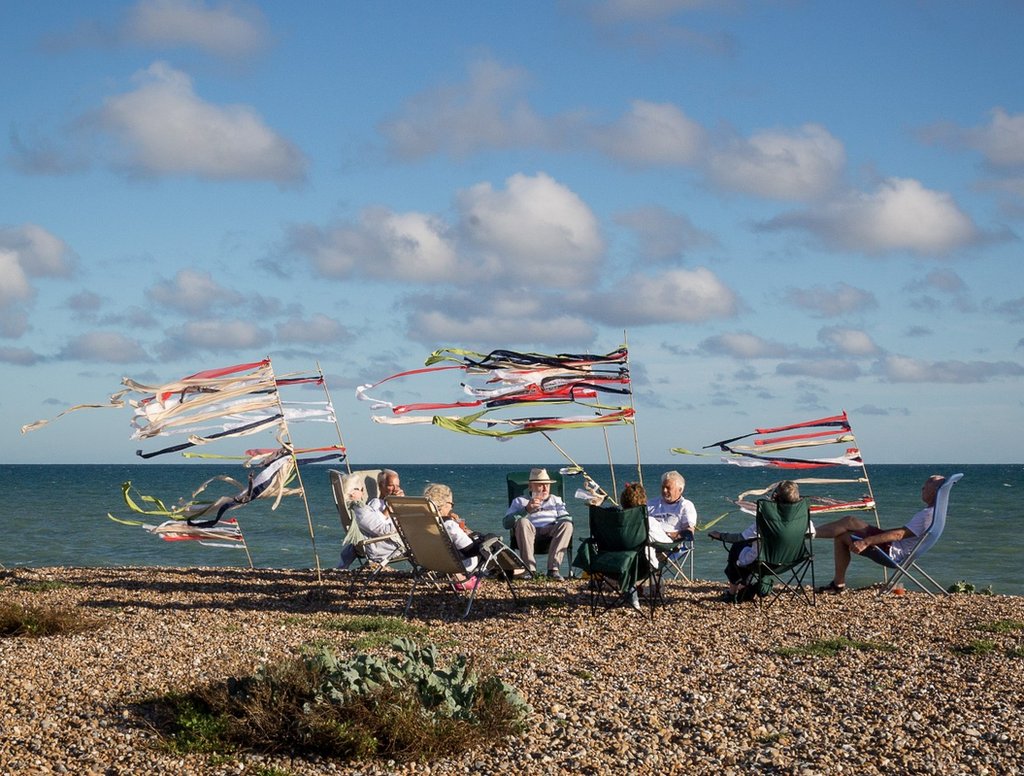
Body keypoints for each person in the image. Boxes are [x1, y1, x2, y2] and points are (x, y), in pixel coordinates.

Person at [812, 474, 946, 594]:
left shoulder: (927, 515)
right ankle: (811, 532)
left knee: (842, 536)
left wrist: (865, 542)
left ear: (934, 491)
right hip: (895, 547)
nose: (922, 488)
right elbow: (905, 533)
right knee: (850, 521)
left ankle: (837, 583)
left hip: (892, 552)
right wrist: (882, 532)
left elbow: (899, 534)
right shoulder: (935, 512)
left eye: (925, 486)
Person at [708, 480, 805, 599]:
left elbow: (740, 538)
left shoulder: (767, 520)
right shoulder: (803, 519)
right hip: (793, 560)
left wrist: (720, 535)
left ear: (775, 497)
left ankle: (733, 593)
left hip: (765, 562)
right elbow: (812, 533)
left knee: (738, 547)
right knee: (750, 547)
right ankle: (748, 586)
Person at [423, 482, 495, 591]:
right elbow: (468, 551)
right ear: (445, 504)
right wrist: (486, 538)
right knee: (491, 540)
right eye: (451, 504)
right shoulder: (449, 525)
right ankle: (512, 570)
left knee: (478, 537)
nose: (451, 507)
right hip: (459, 564)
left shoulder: (423, 523)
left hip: (432, 562)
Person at [504, 467, 573, 580]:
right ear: (531, 486)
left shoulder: (556, 500)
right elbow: (506, 523)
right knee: (523, 522)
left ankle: (553, 570)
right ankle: (530, 570)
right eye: (541, 484)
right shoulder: (520, 501)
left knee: (567, 524)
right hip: (529, 532)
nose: (545, 488)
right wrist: (526, 510)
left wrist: (561, 520)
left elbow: (566, 517)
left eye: (547, 484)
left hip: (551, 532)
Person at [337, 473, 404, 569]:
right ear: (352, 493)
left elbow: (378, 523)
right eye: (360, 489)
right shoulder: (361, 509)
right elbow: (383, 530)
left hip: (382, 543)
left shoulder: (358, 509)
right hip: (384, 548)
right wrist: (404, 521)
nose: (363, 492)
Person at [647, 471, 698, 541]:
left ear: (680, 490)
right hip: (650, 543)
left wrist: (666, 535)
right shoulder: (651, 504)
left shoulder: (685, 506)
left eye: (668, 488)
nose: (664, 490)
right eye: (663, 487)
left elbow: (689, 532)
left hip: (672, 545)